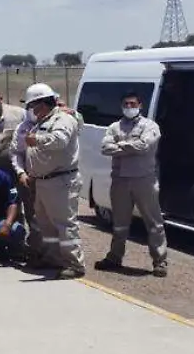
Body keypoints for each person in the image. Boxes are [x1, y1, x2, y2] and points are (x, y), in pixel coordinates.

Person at [11, 83, 85, 279]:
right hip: (42, 182)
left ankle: (74, 263)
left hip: (61, 181)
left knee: (65, 224)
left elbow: (60, 141)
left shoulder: (63, 119)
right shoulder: (41, 121)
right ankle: (53, 258)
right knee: (46, 225)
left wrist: (38, 140)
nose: (32, 111)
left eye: (33, 106)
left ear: (43, 104)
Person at [96, 91, 167, 277]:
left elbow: (145, 146)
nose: (129, 107)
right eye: (126, 104)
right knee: (119, 223)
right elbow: (105, 148)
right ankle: (114, 257)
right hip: (120, 181)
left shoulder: (150, 125)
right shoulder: (114, 126)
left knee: (153, 222)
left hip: (144, 180)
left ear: (140, 105)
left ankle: (160, 261)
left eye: (132, 104)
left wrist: (120, 146)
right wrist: (131, 145)